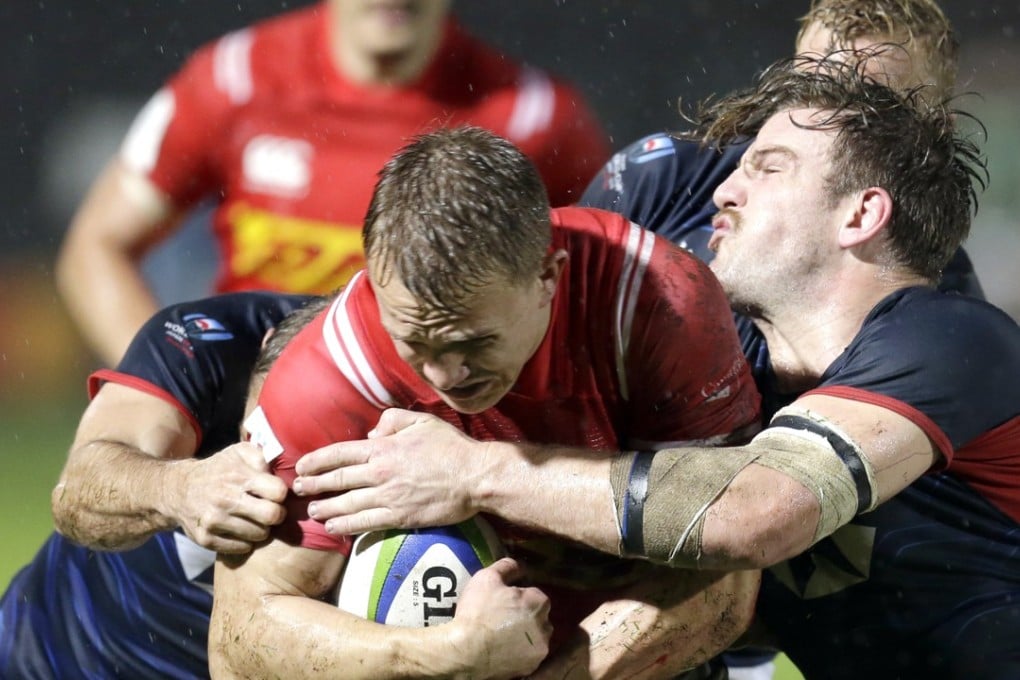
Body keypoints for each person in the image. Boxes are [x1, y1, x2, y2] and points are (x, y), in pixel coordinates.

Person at [289, 61, 1020, 679]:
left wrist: (476, 473)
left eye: (767, 168)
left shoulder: (950, 340)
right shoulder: (725, 371)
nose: (725, 191)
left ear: (860, 216)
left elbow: (751, 515)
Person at [210, 126, 763, 679]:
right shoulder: (332, 376)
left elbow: (725, 579)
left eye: (473, 342)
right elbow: (241, 640)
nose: (445, 374)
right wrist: (448, 657)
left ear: (549, 275)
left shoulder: (656, 303)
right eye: (414, 342)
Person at [56, 0, 611, 368]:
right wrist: (176, 387)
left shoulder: (536, 117)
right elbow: (95, 248)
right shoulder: (234, 78)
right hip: (249, 437)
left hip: (433, 452)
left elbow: (605, 292)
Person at [0, 292, 315, 677]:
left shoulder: (404, 446)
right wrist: (181, 489)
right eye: (278, 414)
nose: (270, 449)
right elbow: (75, 493)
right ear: (266, 348)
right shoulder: (209, 341)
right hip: (45, 658)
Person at [580, 0, 984, 300]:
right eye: (812, 89)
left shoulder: (941, 294)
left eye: (870, 108)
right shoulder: (663, 178)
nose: (828, 122)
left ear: (937, 131)